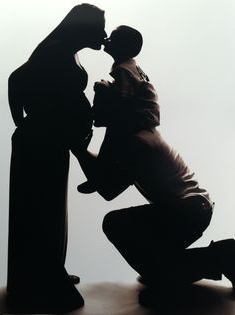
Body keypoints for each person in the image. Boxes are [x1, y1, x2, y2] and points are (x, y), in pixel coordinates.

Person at [75, 25, 235, 307]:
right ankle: (184, 267)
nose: (93, 113)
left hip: (190, 208)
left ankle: (216, 257)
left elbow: (107, 188)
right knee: (155, 263)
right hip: (191, 209)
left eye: (98, 106)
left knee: (116, 223)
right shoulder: (131, 132)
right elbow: (104, 173)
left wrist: (76, 147)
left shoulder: (136, 140)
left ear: (116, 107)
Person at [7, 4, 106, 312]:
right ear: (83, 27)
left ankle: (48, 272)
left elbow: (17, 79)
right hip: (40, 145)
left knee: (49, 211)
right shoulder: (56, 50)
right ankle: (43, 282)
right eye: (100, 27)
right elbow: (14, 79)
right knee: (41, 211)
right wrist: (23, 124)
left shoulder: (64, 49)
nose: (103, 34)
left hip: (47, 144)